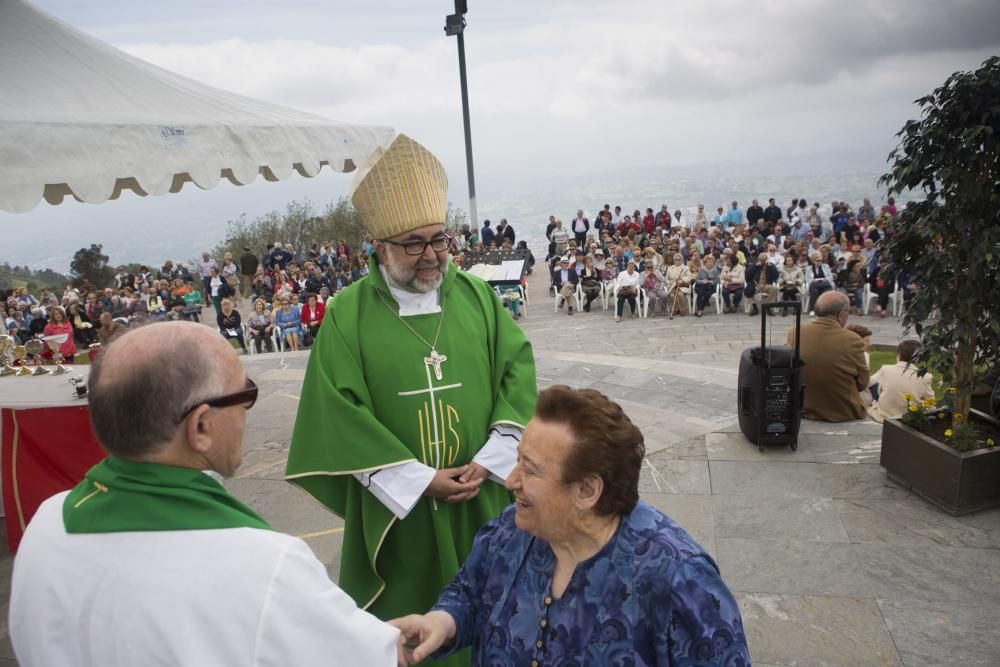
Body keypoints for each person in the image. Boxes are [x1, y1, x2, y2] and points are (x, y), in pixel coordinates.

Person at [9, 322, 401, 665]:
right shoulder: (264, 564)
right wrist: (392, 637)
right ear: (200, 427)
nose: (246, 411)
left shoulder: (46, 524)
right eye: (243, 394)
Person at [284, 134, 537, 667]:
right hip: (400, 515)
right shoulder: (346, 315)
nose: (431, 256)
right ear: (379, 247)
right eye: (413, 244)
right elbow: (337, 413)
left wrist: (490, 459)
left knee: (498, 621)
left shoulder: (476, 297)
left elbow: (517, 372)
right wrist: (421, 479)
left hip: (482, 493)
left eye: (439, 240)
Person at [390, 385, 749, 666]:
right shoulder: (509, 531)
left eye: (529, 469)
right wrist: (442, 622)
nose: (510, 481)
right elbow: (469, 592)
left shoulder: (681, 583)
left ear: (587, 490)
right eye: (517, 462)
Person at [787, 292, 869, 421]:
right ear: (841, 315)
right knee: (870, 392)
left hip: (803, 406)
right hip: (842, 411)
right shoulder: (853, 339)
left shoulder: (794, 332)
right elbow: (862, 383)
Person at [867, 339, 935, 423]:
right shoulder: (925, 377)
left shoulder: (886, 369)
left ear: (899, 355)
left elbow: (868, 383)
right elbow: (931, 402)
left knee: (876, 385)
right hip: (910, 417)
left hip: (885, 416)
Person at [664, 252, 691, 318]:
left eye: (679, 260)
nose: (677, 261)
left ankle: (682, 309)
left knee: (680, 294)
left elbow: (689, 276)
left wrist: (682, 279)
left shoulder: (686, 268)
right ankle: (675, 309)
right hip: (672, 286)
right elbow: (666, 279)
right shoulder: (670, 268)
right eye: (675, 260)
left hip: (682, 286)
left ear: (682, 260)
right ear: (674, 260)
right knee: (672, 295)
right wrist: (669, 283)